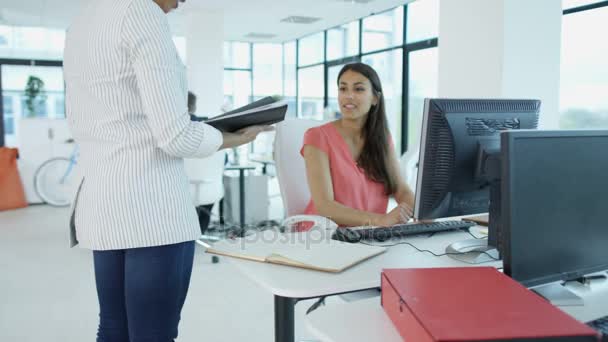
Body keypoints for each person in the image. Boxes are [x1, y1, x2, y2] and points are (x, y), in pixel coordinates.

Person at [63, 0, 271, 341]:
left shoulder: (83, 21)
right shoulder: (142, 14)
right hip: (150, 209)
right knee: (154, 334)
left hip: (100, 201)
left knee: (114, 327)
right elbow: (175, 136)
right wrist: (233, 137)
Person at [301, 62, 415, 228]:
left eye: (358, 89)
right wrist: (380, 220)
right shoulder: (316, 137)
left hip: (369, 235)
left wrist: (421, 212)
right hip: (324, 235)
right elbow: (325, 206)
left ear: (375, 98)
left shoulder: (382, 139)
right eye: (343, 89)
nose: (349, 96)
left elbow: (401, 190)